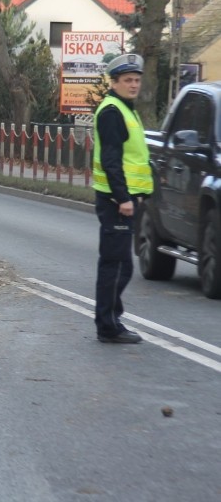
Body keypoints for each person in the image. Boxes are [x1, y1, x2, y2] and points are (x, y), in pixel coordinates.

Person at [92, 54, 154, 344]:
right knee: (116, 264)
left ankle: (111, 319)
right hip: (116, 202)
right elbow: (111, 160)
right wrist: (123, 198)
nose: (133, 85)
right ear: (114, 82)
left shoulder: (126, 110)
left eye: (137, 80)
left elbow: (134, 157)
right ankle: (108, 325)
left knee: (120, 264)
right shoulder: (113, 112)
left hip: (124, 200)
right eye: (127, 80)